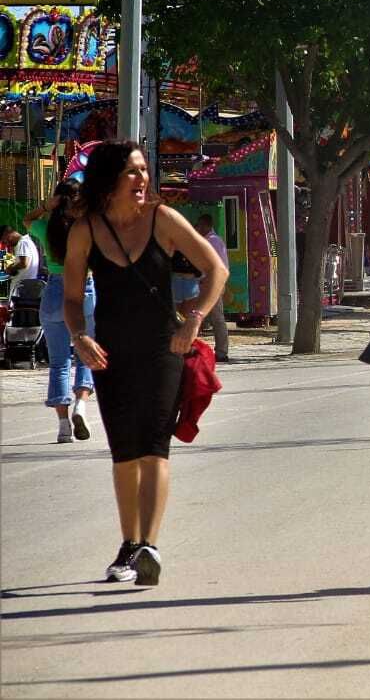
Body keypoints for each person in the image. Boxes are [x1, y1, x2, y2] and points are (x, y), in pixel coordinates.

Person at [62, 141, 228, 586]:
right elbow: (73, 298)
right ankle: (129, 543)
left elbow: (216, 270)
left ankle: (150, 547)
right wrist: (79, 338)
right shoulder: (87, 230)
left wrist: (194, 319)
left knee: (154, 446)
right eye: (132, 172)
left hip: (162, 348)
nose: (142, 180)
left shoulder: (163, 220)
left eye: (143, 171)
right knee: (124, 454)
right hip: (110, 354)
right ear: (109, 181)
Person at [27, 182, 95, 442]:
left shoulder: (47, 228)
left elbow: (27, 219)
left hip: (54, 292)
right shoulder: (86, 228)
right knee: (86, 355)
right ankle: (81, 405)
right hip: (83, 290)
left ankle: (64, 427)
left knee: (59, 363)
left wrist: (46, 206)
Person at [192, 213, 231, 362]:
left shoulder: (213, 242)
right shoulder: (207, 240)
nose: (199, 228)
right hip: (203, 283)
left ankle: (221, 351)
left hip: (211, 283)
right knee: (200, 317)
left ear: (207, 226)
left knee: (216, 318)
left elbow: (218, 265)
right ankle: (196, 348)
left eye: (200, 226)